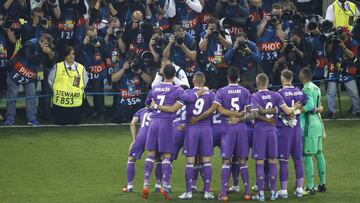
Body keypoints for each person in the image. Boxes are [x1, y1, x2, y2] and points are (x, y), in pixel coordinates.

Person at [189, 67, 252, 201]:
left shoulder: (222, 92)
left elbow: (219, 110)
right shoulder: (245, 91)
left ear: (228, 77)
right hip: (241, 128)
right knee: (242, 161)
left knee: (226, 161)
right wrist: (239, 116)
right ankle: (247, 192)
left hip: (228, 129)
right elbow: (249, 112)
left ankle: (223, 194)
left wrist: (198, 118)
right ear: (238, 78)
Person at [153, 72, 215, 200]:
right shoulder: (212, 94)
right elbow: (214, 109)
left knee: (190, 161)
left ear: (193, 80)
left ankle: (188, 192)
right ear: (204, 81)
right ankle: (207, 192)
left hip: (191, 128)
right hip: (206, 128)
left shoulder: (187, 94)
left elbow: (176, 107)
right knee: (207, 161)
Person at [247, 73, 300, 201]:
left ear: (257, 82)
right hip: (272, 132)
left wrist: (241, 118)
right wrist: (295, 107)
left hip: (259, 132)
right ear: (268, 82)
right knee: (272, 161)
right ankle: (273, 193)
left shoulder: (254, 96)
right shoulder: (276, 95)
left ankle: (260, 194)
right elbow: (287, 111)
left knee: (259, 162)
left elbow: (253, 115)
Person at [140, 64, 184, 200]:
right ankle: (165, 186)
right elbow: (173, 109)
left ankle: (145, 185)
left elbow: (147, 104)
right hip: (166, 123)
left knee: (151, 153)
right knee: (166, 155)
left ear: (163, 74)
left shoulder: (155, 88)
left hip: (154, 123)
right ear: (174, 75)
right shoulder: (178, 90)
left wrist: (155, 106)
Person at [5, 34, 55, 126]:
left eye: (47, 45)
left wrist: (51, 55)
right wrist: (44, 53)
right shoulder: (30, 44)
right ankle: (10, 118)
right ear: (41, 40)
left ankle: (32, 118)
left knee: (31, 95)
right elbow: (30, 58)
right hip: (15, 71)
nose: (46, 46)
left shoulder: (46, 50)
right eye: (45, 44)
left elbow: (49, 64)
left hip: (29, 74)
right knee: (13, 95)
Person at [276, 70, 307, 198]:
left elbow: (277, 112)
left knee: (283, 160)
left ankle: (283, 191)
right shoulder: (300, 92)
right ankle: (299, 189)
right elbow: (305, 105)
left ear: (282, 79)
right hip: (297, 129)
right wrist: (296, 110)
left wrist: (288, 113)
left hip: (285, 130)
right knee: (298, 159)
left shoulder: (279, 94)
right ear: (292, 78)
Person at [298, 67, 327, 194]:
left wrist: (298, 110)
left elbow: (310, 106)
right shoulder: (316, 87)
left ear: (302, 76)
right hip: (318, 124)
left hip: (310, 126)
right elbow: (319, 105)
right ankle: (322, 184)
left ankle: (310, 186)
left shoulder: (306, 88)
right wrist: (318, 109)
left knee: (308, 155)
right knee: (319, 154)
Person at [48, 46, 88, 125]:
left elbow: (84, 82)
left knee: (75, 123)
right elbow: (50, 81)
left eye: (73, 54)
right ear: (65, 56)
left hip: (75, 104)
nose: (71, 56)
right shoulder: (57, 66)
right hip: (60, 104)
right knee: (61, 123)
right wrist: (56, 90)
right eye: (69, 54)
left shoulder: (81, 68)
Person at [326, 26, 360, 118]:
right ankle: (331, 111)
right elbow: (328, 52)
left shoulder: (353, 43)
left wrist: (344, 47)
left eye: (344, 34)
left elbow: (353, 56)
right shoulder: (334, 41)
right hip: (335, 69)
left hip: (347, 70)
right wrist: (331, 42)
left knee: (353, 92)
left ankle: (356, 110)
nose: (343, 35)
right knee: (331, 92)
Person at [122, 107, 152, 193]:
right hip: (154, 136)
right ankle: (157, 185)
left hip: (141, 136)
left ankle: (130, 186)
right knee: (158, 159)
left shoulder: (141, 110)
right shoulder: (160, 110)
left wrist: (134, 140)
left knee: (131, 159)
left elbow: (132, 123)